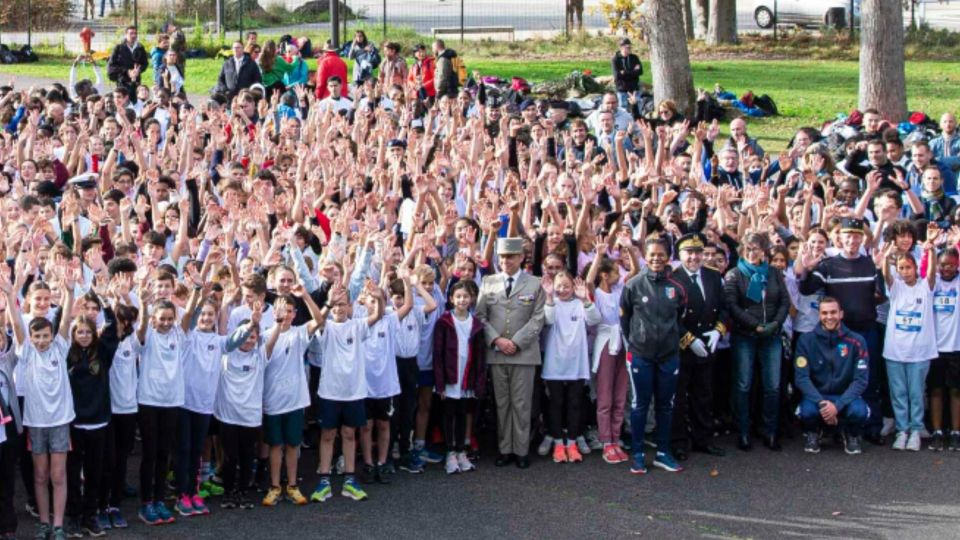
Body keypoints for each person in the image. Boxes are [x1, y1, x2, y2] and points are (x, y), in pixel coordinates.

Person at [1, 265, 75, 540]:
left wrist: (69, 292)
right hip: (35, 422)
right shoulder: (26, 351)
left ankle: (58, 525)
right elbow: (17, 326)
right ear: (31, 338)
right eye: (37, 336)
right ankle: (44, 523)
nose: (42, 340)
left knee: (58, 475)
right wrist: (11, 295)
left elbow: (65, 321)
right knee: (40, 476)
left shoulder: (60, 346)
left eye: (46, 336)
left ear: (52, 336)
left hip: (60, 422)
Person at [798, 217, 887, 445]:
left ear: (862, 238)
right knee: (836, 380)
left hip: (866, 331)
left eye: (857, 236)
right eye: (848, 236)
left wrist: (880, 270)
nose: (852, 240)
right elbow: (806, 290)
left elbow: (882, 295)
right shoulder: (828, 265)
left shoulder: (870, 263)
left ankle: (871, 427)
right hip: (839, 335)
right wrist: (807, 268)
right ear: (840, 237)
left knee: (869, 380)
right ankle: (835, 428)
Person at [476, 238, 546, 470]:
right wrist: (496, 339)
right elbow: (480, 316)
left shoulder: (534, 283)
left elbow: (538, 318)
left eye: (511, 256)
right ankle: (505, 449)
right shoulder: (488, 282)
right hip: (497, 353)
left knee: (522, 404)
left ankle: (521, 450)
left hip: (523, 354)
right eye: (503, 257)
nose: (506, 261)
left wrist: (516, 342)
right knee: (502, 403)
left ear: (521, 257)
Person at [620, 236, 687, 475]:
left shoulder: (677, 287)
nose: (656, 258)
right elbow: (625, 319)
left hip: (669, 355)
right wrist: (636, 343)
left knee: (665, 405)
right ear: (645, 256)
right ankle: (638, 454)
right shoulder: (633, 284)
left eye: (661, 254)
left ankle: (662, 453)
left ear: (668, 256)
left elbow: (681, 318)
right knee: (640, 404)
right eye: (652, 254)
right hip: (641, 355)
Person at [312, 285, 383, 503]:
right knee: (327, 435)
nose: (338, 309)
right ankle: (324, 481)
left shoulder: (357, 325)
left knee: (349, 434)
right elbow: (318, 320)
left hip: (354, 392)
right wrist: (328, 303)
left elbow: (377, 315)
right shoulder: (326, 326)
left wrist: (379, 299)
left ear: (350, 306)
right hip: (329, 391)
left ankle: (349, 481)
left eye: (342, 304)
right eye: (335, 305)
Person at [724, 232, 790, 452]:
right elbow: (732, 305)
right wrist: (755, 325)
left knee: (773, 385)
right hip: (745, 335)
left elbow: (784, 301)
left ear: (764, 251)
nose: (752, 253)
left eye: (757, 249)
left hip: (771, 334)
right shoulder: (734, 274)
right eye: (749, 249)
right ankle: (743, 431)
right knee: (743, 384)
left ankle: (770, 430)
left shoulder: (774, 273)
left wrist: (776, 323)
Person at [878, 228, 939, 451]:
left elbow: (932, 272)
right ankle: (901, 430)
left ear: (915, 268)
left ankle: (915, 430)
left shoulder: (925, 287)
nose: (905, 272)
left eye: (908, 267)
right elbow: (886, 274)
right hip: (895, 351)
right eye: (901, 268)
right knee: (899, 394)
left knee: (916, 393)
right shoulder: (895, 287)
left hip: (920, 352)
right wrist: (886, 258)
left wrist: (931, 250)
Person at [670, 233, 728, 460]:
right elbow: (670, 316)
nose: (694, 257)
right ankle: (678, 443)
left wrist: (718, 330)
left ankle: (703, 439)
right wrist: (688, 340)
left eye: (698, 252)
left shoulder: (713, 275)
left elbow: (724, 307)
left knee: (703, 395)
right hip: (682, 347)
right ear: (680, 254)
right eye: (689, 252)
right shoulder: (673, 278)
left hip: (707, 343)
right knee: (679, 397)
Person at [794, 296, 869, 454]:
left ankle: (851, 434)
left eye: (833, 312)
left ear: (841, 314)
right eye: (824, 313)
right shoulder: (806, 340)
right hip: (818, 396)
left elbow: (861, 380)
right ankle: (814, 432)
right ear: (819, 315)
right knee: (806, 412)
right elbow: (801, 378)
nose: (829, 317)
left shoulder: (857, 341)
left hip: (845, 396)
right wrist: (823, 404)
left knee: (859, 412)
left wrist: (837, 406)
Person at [541, 273, 600, 464]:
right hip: (555, 362)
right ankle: (559, 444)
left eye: (566, 286)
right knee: (556, 403)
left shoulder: (579, 304)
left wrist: (586, 299)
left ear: (573, 287)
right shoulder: (552, 303)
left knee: (575, 403)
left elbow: (595, 319)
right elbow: (548, 320)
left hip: (577, 362)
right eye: (559, 286)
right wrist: (549, 296)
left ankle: (572, 443)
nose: (562, 290)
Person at [433, 281, 486, 475]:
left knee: (463, 413)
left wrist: (479, 383)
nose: (462, 300)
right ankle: (450, 452)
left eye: (466, 296)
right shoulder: (444, 322)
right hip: (450, 377)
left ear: (471, 299)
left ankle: (461, 451)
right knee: (449, 414)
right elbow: (438, 354)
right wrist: (440, 384)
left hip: (467, 377)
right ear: (451, 299)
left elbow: (480, 357)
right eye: (458, 296)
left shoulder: (476, 324)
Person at [929, 247, 960, 451]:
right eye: (943, 265)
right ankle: (937, 431)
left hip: (956, 346)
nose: (946, 268)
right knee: (936, 390)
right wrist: (931, 250)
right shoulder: (933, 282)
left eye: (951, 264)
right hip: (935, 348)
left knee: (956, 391)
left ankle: (956, 432)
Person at [107, 26, 148, 98]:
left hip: (136, 81)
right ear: (126, 35)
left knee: (135, 100)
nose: (134, 35)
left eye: (135, 33)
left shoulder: (140, 48)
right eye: (131, 33)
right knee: (123, 100)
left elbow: (145, 63)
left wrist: (139, 70)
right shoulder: (118, 48)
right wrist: (127, 71)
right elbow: (112, 66)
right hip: (122, 82)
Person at [611, 38, 641, 109]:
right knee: (623, 109)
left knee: (637, 108)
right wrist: (633, 71)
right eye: (627, 47)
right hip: (622, 89)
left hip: (634, 89)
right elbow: (617, 75)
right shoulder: (615, 59)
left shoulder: (634, 58)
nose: (629, 49)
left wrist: (624, 72)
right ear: (621, 47)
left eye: (630, 47)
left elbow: (640, 71)